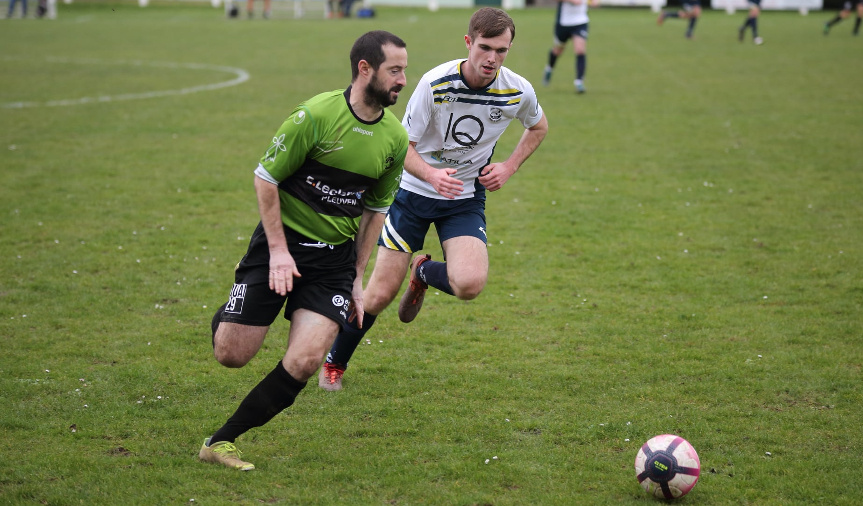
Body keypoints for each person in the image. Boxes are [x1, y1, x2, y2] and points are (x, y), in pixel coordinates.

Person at [198, 30, 409, 471]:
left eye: (404, 70)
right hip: (281, 249)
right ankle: (234, 305)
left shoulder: (393, 138)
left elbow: (374, 212)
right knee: (231, 355)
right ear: (364, 69)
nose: (402, 79)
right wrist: (277, 252)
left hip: (332, 262)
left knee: (307, 359)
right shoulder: (315, 115)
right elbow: (265, 178)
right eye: (395, 70)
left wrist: (356, 275)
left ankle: (221, 441)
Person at [319, 7, 549, 391]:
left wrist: (509, 166)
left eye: (502, 50)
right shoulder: (434, 84)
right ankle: (335, 362)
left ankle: (423, 272)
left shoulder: (517, 90)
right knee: (377, 296)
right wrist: (430, 174)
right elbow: (401, 146)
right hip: (412, 194)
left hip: (464, 199)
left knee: (470, 284)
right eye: (486, 47)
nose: (492, 58)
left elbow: (539, 126)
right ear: (468, 43)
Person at [542, 0, 601, 94]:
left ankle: (579, 82)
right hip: (564, 23)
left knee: (580, 50)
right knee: (557, 50)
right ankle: (549, 68)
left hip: (580, 22)